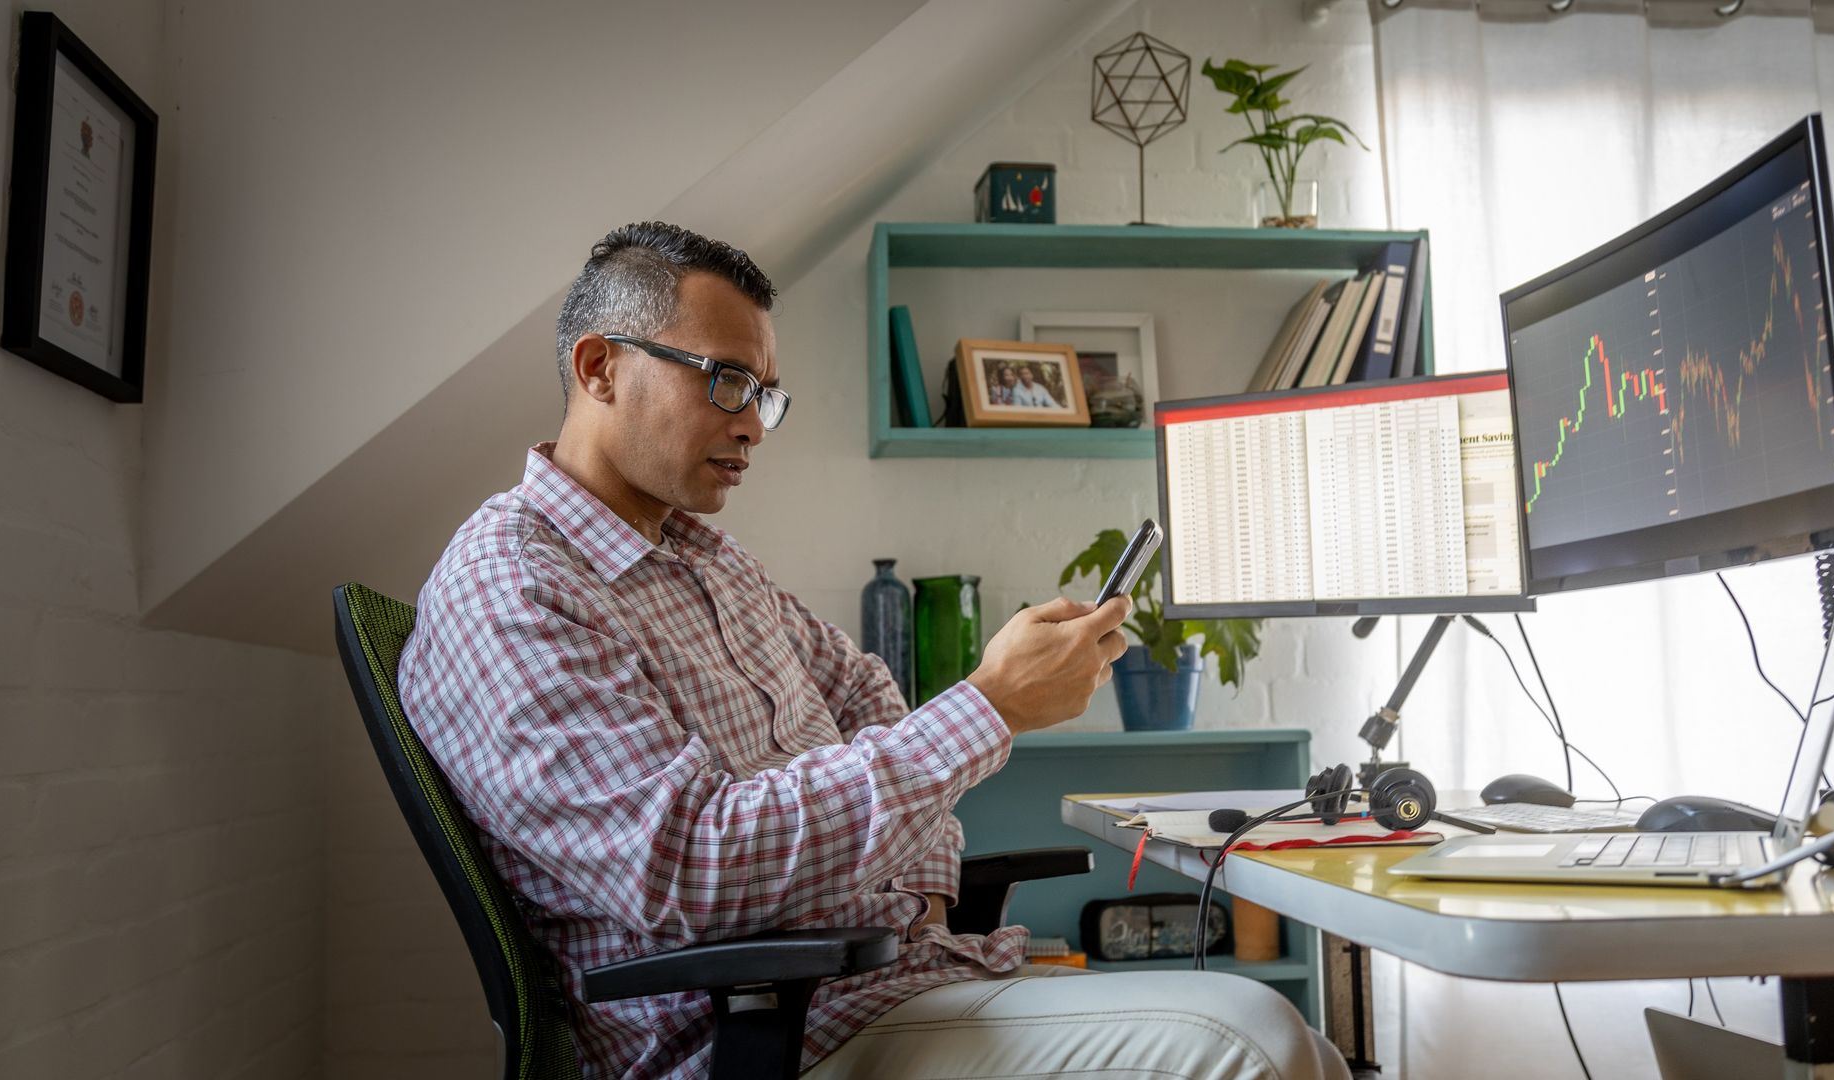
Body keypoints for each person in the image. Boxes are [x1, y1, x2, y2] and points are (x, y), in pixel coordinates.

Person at [400, 221, 1350, 1080]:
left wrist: (925, 884)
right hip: (763, 1029)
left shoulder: (701, 554)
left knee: (1307, 1045)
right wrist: (991, 707)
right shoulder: (515, 582)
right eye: (728, 380)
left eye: (766, 396)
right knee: (1252, 1040)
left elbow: (863, 691)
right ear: (601, 367)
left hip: (889, 980)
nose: (749, 424)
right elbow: (684, 864)